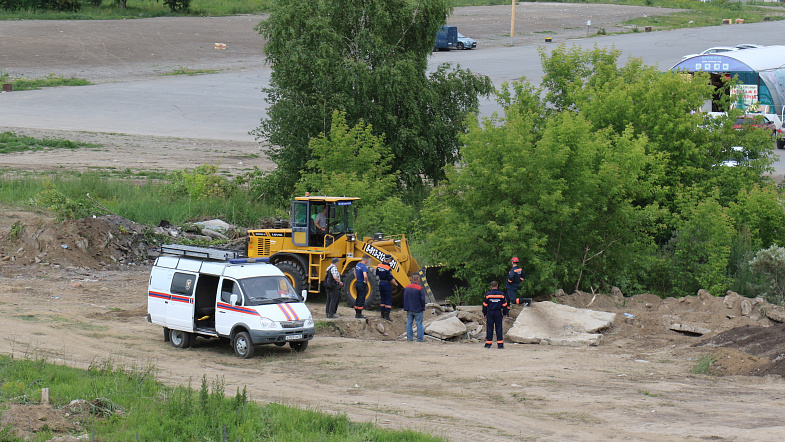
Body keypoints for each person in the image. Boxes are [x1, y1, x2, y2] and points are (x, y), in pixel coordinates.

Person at [483, 281, 508, 349]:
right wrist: (505, 313)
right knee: (499, 328)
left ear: (491, 287)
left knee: (489, 328)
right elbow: (504, 305)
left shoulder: (488, 295)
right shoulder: (501, 294)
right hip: (498, 312)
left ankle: (488, 344)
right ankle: (500, 344)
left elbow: (485, 305)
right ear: (497, 286)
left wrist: (484, 313)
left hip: (490, 312)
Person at [403, 274, 427, 342]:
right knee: (419, 323)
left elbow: (404, 297)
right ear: (418, 280)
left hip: (409, 308)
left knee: (409, 323)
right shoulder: (419, 288)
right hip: (418, 309)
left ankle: (409, 338)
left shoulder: (407, 287)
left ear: (412, 279)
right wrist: (423, 307)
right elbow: (422, 299)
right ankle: (419, 339)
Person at [375, 255, 398, 321]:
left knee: (383, 299)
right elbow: (391, 278)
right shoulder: (388, 268)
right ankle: (387, 316)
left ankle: (382, 314)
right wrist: (396, 285)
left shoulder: (378, 266)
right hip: (386, 284)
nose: (390, 261)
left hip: (381, 283)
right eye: (390, 260)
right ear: (388, 260)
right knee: (388, 299)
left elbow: (377, 273)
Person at [353, 254, 370, 319]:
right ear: (366, 259)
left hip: (358, 282)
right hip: (362, 284)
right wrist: (366, 281)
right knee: (361, 299)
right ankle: (359, 314)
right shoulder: (363, 267)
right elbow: (365, 276)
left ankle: (356, 312)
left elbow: (354, 271)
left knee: (358, 297)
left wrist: (357, 278)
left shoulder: (358, 265)